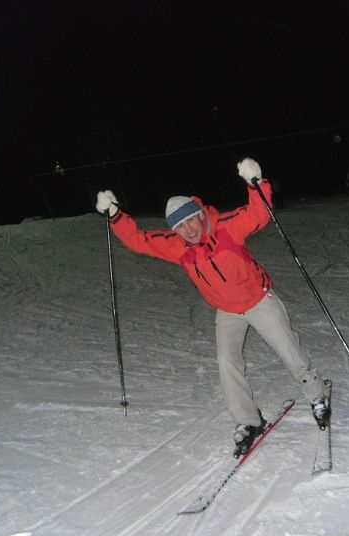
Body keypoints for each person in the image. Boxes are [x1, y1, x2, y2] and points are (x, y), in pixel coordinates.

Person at [96, 158, 330, 457]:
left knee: (288, 350)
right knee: (226, 361)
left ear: (199, 214)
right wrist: (115, 215)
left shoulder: (226, 228)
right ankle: (248, 420)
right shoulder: (176, 245)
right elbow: (139, 241)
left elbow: (258, 214)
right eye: (180, 227)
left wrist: (256, 183)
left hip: (258, 300)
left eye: (190, 221)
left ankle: (317, 395)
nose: (188, 230)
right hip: (227, 311)